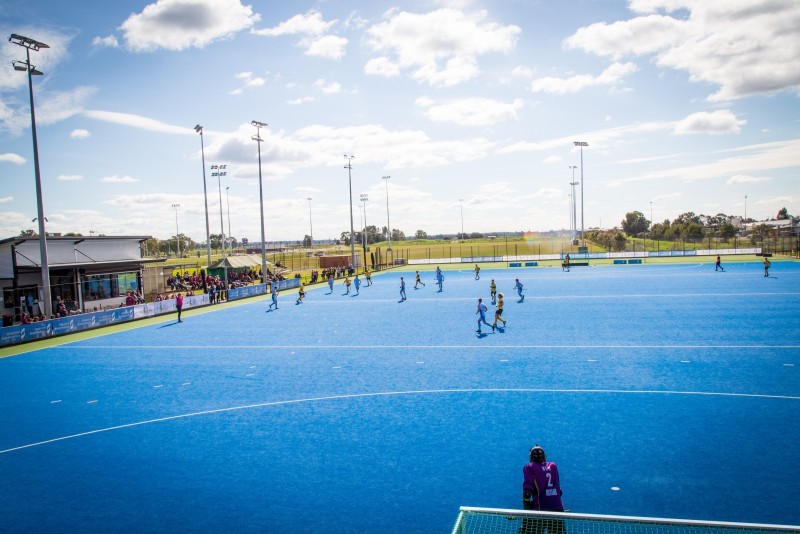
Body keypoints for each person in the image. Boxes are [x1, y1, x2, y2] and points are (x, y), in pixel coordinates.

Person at [521, 445, 566, 534]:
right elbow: (559, 491)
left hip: (539, 511)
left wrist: (527, 506)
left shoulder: (529, 467)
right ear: (544, 456)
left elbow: (527, 492)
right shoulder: (553, 466)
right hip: (557, 510)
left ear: (531, 457)